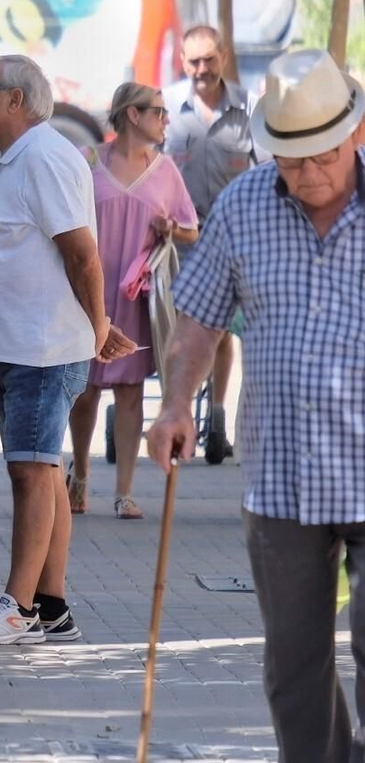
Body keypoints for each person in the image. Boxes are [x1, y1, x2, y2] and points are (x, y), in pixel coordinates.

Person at [148, 48, 365, 762]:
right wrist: (177, 404)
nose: (306, 173)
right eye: (291, 158)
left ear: (355, 134)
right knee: (294, 669)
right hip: (280, 476)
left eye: (321, 156)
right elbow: (201, 319)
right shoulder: (245, 204)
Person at [0, 54, 135, 646]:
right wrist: (96, 326)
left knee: (31, 471)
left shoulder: (47, 156)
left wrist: (97, 323)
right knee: (43, 470)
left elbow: (81, 253)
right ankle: (51, 605)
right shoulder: (19, 160)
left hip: (38, 348)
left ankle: (18, 607)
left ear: (15, 99)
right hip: (16, 344)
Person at [66, 84, 198, 520]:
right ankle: (79, 476)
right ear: (131, 115)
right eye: (158, 112)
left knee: (129, 392)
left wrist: (170, 230)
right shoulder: (89, 160)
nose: (166, 120)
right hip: (89, 294)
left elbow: (191, 228)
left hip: (135, 296)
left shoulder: (165, 170)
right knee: (83, 391)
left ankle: (124, 491)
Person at [161, 25, 259, 456]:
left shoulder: (249, 108)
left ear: (224, 56)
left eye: (209, 59)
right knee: (182, 328)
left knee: (220, 332)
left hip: (231, 241)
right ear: (183, 62)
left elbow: (267, 171)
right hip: (177, 242)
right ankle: (175, 408)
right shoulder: (166, 108)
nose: (202, 69)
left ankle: (216, 416)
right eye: (194, 61)